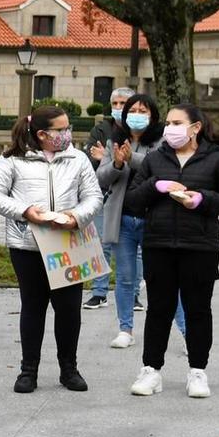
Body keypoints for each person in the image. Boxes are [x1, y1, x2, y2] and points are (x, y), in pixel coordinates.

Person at [124, 104, 219, 398]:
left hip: (200, 246)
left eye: (177, 122)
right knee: (159, 309)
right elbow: (132, 201)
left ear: (195, 127)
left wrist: (201, 199)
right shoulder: (154, 159)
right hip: (158, 243)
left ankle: (198, 371)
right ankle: (151, 370)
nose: (170, 128)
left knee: (198, 309)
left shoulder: (215, 159)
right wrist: (156, 185)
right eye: (168, 122)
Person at [0, 105, 102, 393]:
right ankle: (28, 371)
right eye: (60, 129)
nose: (67, 133)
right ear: (41, 134)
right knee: (33, 307)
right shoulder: (13, 158)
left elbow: (94, 196)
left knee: (69, 309)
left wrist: (76, 217)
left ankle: (69, 368)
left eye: (67, 128)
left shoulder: (78, 158)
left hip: (68, 243)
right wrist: (25, 211)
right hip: (27, 245)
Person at [94, 92, 159, 350]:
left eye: (143, 111)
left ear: (153, 116)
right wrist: (117, 164)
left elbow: (159, 167)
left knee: (162, 278)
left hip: (154, 219)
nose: (137, 116)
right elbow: (102, 177)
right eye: (133, 110)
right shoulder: (114, 142)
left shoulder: (162, 141)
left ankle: (184, 329)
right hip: (123, 218)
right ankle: (125, 328)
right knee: (124, 277)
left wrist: (131, 158)